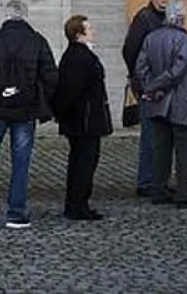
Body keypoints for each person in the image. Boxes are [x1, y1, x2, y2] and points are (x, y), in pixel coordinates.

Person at [0, 0, 59, 229]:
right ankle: (15, 214)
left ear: (5, 16)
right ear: (24, 16)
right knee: (20, 163)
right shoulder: (37, 41)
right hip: (25, 111)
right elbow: (50, 76)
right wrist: (41, 98)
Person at [135, 3, 187, 210]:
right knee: (183, 150)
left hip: (157, 102)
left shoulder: (151, 38)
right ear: (180, 18)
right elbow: (178, 71)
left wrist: (150, 88)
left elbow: (141, 67)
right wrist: (155, 86)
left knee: (161, 147)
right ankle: (183, 191)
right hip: (182, 101)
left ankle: (159, 187)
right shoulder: (184, 39)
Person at [52, 15, 112, 220]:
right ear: (79, 34)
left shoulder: (78, 55)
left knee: (82, 161)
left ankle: (77, 203)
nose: (93, 31)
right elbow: (71, 91)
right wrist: (63, 113)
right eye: (89, 28)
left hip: (83, 119)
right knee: (84, 162)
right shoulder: (79, 57)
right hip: (83, 121)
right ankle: (78, 205)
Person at [122, 0, 168, 197]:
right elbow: (130, 50)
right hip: (149, 87)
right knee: (150, 135)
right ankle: (146, 181)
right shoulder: (144, 19)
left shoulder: (167, 19)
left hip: (167, 86)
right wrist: (141, 79)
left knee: (164, 135)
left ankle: (160, 180)